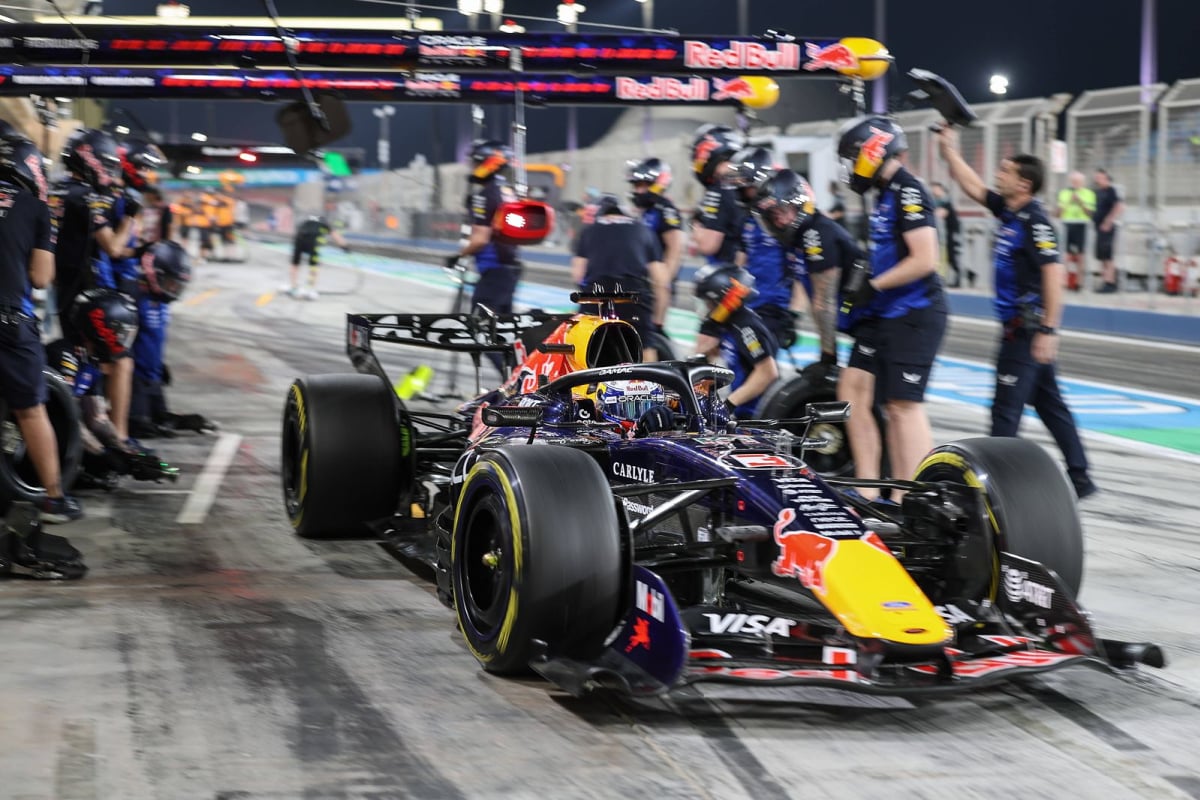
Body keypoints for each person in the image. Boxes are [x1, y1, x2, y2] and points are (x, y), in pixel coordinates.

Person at [938, 132, 1097, 499]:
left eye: (1006, 170)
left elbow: (1054, 276)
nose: (999, 173)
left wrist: (1049, 328)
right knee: (1051, 405)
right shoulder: (1010, 212)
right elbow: (974, 188)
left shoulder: (1035, 223)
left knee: (1004, 414)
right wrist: (949, 150)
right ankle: (1081, 478)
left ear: (1024, 183)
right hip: (1020, 330)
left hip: (1026, 332)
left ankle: (997, 492)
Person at [835, 116, 947, 499]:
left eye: (853, 156)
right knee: (875, 399)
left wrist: (873, 286)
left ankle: (916, 496)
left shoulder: (908, 190)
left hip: (914, 312)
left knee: (904, 406)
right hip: (888, 312)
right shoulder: (886, 194)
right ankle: (884, 494)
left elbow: (925, 259)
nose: (851, 166)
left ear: (873, 149)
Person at [0, 132, 85, 526]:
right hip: (10, 322)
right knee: (31, 410)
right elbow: (40, 277)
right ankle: (53, 498)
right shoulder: (36, 207)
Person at [49, 127, 141, 445]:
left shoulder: (58, 190)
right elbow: (113, 247)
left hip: (61, 291)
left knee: (86, 367)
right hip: (84, 294)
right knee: (118, 361)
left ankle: (91, 437)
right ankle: (117, 440)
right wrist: (130, 216)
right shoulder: (85, 197)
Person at [752, 169, 863, 369]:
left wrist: (828, 357)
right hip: (862, 323)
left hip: (878, 319)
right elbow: (805, 282)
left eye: (784, 211)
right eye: (774, 216)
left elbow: (824, 302)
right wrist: (792, 316)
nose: (781, 221)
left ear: (799, 204)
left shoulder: (815, 234)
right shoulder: (800, 239)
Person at [725, 147, 807, 354]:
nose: (742, 190)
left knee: (759, 372)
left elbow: (801, 266)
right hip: (749, 304)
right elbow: (741, 262)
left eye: (746, 185)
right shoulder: (749, 218)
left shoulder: (784, 217)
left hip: (774, 307)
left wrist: (793, 313)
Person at [571, 194, 669, 361]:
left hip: (597, 293)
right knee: (644, 347)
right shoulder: (643, 229)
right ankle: (647, 384)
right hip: (633, 295)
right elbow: (661, 282)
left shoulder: (589, 230)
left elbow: (578, 274)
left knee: (583, 346)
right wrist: (657, 322)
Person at [447, 140, 522, 319]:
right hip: (510, 268)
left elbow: (480, 239)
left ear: (487, 162)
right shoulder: (508, 192)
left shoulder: (486, 195)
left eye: (476, 163)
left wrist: (459, 256)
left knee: (484, 328)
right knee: (503, 328)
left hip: (494, 270)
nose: (473, 167)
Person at [692, 263, 779, 418]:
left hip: (754, 414)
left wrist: (728, 405)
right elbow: (705, 354)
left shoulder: (746, 327)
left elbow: (768, 372)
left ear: (722, 301)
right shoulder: (728, 323)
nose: (706, 308)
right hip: (741, 409)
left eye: (708, 303)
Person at [690, 124, 747, 265]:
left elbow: (706, 245)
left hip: (727, 272)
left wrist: (696, 226)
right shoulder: (745, 185)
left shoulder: (720, 190)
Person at [626, 157, 684, 291]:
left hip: (655, 282)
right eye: (636, 185)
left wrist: (663, 284)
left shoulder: (665, 209)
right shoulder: (648, 210)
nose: (638, 190)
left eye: (642, 185)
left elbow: (675, 250)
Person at [285, 213, 349, 300]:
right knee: (313, 266)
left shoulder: (306, 219)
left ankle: (293, 287)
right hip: (312, 240)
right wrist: (344, 247)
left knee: (295, 263)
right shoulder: (324, 222)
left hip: (299, 237)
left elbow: (297, 228)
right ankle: (310, 290)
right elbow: (335, 235)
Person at [1054, 171, 1095, 291]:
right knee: (1065, 255)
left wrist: (1080, 202)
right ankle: (1064, 282)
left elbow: (1090, 213)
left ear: (1083, 183)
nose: (1076, 184)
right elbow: (1058, 213)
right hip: (1067, 225)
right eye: (1074, 182)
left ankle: (1079, 282)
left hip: (1082, 225)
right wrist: (1067, 202)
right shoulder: (1064, 193)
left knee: (1081, 255)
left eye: (1079, 182)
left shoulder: (1089, 194)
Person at [930, 181, 970, 288]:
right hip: (949, 231)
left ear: (940, 189)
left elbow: (940, 214)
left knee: (953, 255)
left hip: (953, 231)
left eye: (935, 188)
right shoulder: (939, 201)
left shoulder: (945, 200)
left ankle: (961, 279)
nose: (933, 191)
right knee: (950, 255)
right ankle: (969, 274)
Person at [1092, 168, 1125, 293]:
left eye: (1100, 177)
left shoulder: (1111, 190)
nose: (1097, 180)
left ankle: (1109, 282)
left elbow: (1119, 206)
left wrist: (1108, 221)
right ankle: (1106, 280)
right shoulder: (1098, 192)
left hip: (1107, 228)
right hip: (1099, 228)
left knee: (1108, 256)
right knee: (1102, 256)